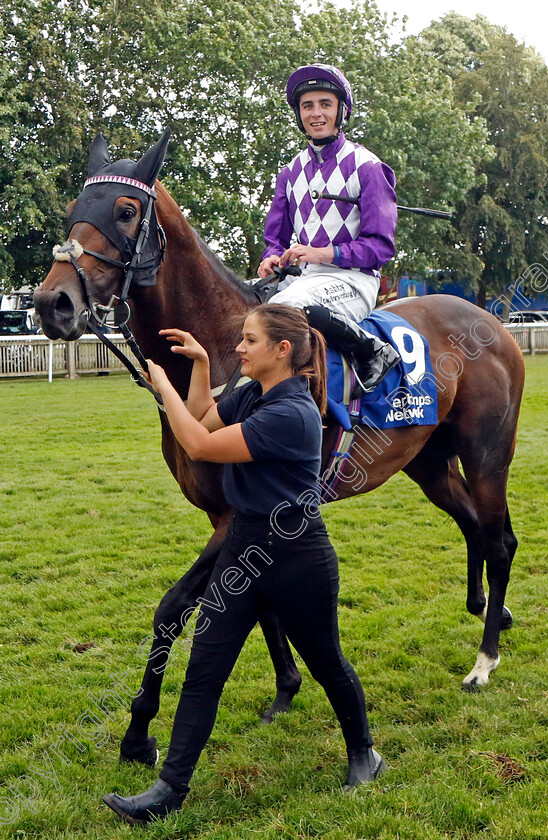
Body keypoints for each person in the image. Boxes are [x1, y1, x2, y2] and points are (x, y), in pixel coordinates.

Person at [103, 304, 387, 824]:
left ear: (282, 351)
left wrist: (161, 384)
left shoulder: (293, 413)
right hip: (243, 547)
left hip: (298, 556)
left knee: (327, 664)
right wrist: (201, 372)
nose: (239, 347)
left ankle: (365, 753)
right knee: (204, 669)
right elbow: (204, 419)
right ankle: (168, 791)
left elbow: (200, 445)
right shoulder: (254, 393)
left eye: (249, 340)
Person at [258, 63, 400, 394]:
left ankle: (372, 350)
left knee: (287, 310)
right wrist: (271, 258)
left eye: (325, 104)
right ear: (299, 114)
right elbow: (274, 240)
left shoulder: (368, 167)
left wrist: (326, 253)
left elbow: (380, 247)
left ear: (341, 111)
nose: (316, 113)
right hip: (302, 279)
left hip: (353, 280)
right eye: (308, 106)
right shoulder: (289, 172)